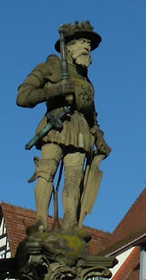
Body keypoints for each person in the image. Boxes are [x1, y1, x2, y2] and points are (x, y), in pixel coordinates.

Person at [17, 21, 111, 232]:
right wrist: (54, 91)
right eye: (83, 42)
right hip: (56, 124)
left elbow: (91, 116)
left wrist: (100, 138)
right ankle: (41, 221)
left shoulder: (86, 80)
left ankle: (70, 225)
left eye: (89, 44)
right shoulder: (50, 67)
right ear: (68, 46)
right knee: (46, 171)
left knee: (74, 179)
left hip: (80, 130)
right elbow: (22, 96)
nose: (87, 47)